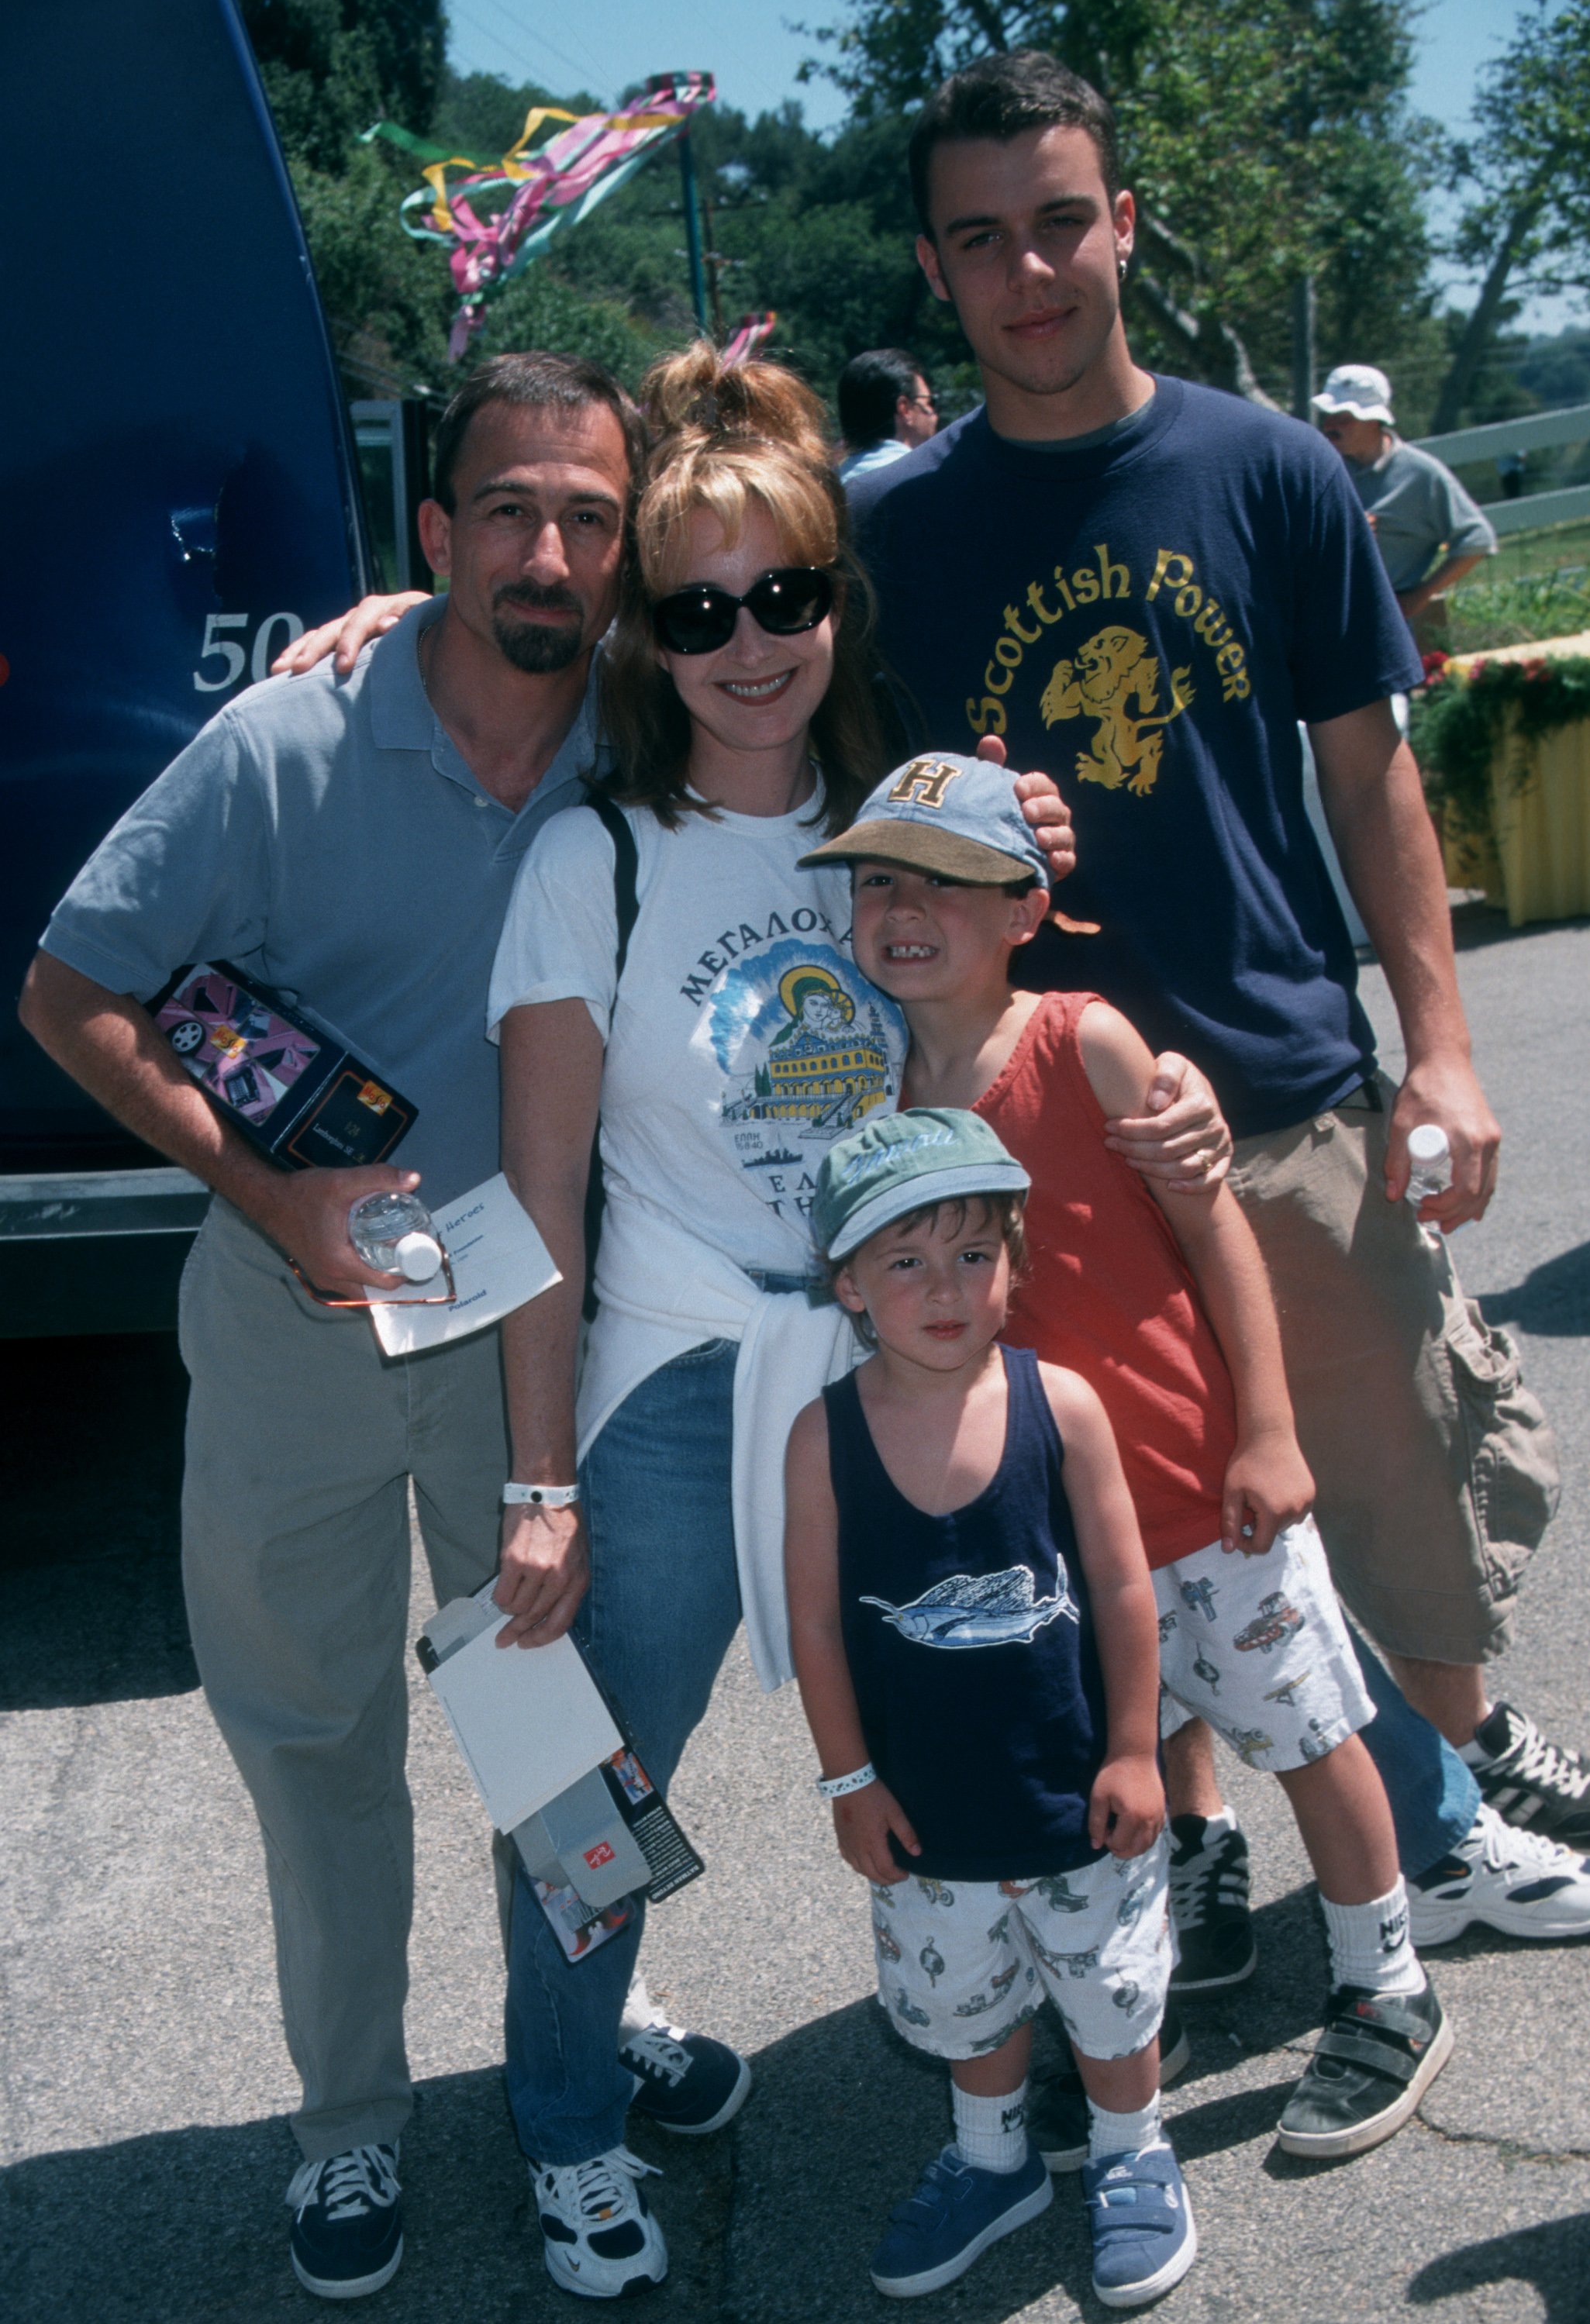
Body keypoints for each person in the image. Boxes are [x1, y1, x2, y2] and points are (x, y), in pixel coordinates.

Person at [13, 353, 747, 2305]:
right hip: (293, 1326)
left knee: (544, 1724)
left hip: (522, 1317)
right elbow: (71, 990)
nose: (550, 549)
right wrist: (274, 1196)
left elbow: (821, 669)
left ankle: (594, 2024)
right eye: (506, 507)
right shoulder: (284, 746)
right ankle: (352, 2124)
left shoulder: (642, 731)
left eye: (592, 517)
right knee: (322, 1743)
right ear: (431, 534)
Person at [843, 49, 1581, 1988]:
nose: (1034, 271)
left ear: (1125, 225)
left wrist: (1439, 1038)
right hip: (1043, 1128)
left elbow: (1373, 780)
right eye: (986, 238)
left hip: (1283, 1088)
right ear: (937, 269)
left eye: (1064, 220)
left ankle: (1437, 1827)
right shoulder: (896, 536)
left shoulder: (1266, 468)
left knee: (1393, 1488)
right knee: (1151, 1522)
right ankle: (1209, 1837)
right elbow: (721, 689)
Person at [481, 345, 1087, 2301]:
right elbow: (542, 1199)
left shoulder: (907, 823)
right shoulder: (596, 858)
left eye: (787, 594)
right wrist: (540, 1474)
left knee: (978, 1703)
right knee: (583, 1778)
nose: (751, 643)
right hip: (668, 1366)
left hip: (881, 1357)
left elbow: (1001, 1029)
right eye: (699, 609)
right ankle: (567, 2129)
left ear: (838, 595)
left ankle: (1027, 2071)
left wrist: (1028, 882)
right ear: (650, 639)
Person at [804, 752, 1491, 2171]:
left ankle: (1385, 1982)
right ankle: (1136, 2010)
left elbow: (1216, 1233)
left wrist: (1269, 1427)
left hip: (1202, 1491)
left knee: (1309, 1732)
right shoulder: (879, 1103)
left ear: (1025, 909)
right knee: (1123, 1754)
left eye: (944, 880)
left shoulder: (1088, 1041)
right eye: (877, 882)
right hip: (1054, 1535)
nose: (903, 907)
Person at [787, 1105, 1198, 2308]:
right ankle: (992, 2165)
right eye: (903, 1261)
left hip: (1074, 1787)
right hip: (921, 1809)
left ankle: (1132, 2156)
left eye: (973, 1253)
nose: (943, 1288)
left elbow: (1123, 1586)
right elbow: (815, 1625)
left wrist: (1134, 1747)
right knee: (965, 2002)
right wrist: (848, 1780)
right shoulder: (820, 1437)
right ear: (848, 1286)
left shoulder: (1058, 1404)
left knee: (1108, 1994)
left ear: (1015, 1263)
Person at [1312, 364, 1497, 646]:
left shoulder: (1420, 474)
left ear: (1374, 420)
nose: (1331, 426)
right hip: (1319, 619)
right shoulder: (1319, 469)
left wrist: (1419, 596)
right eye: (1328, 415)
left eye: (1344, 417)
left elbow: (1477, 539)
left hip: (1384, 624)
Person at [836, 347, 939, 484]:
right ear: (905, 409)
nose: (934, 415)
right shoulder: (927, 479)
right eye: (930, 402)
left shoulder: (831, 486)